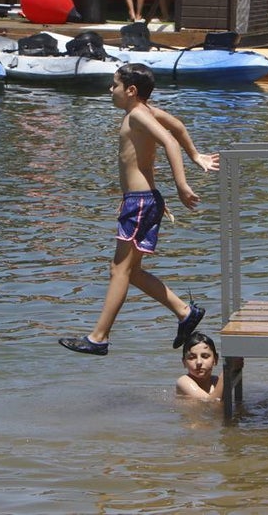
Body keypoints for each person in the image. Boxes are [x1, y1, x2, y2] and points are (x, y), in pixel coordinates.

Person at [59, 63, 219, 356]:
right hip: (144, 200)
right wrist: (195, 155)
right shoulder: (145, 112)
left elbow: (170, 140)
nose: (111, 90)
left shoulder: (137, 115)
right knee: (131, 272)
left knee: (119, 270)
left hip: (141, 202)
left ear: (131, 91)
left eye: (114, 85)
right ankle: (184, 312)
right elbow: (178, 127)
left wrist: (181, 185)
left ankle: (99, 337)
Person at [176, 332, 223, 402]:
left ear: (215, 359)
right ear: (184, 362)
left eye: (205, 356)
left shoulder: (216, 381)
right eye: (192, 357)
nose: (199, 362)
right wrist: (226, 373)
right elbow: (210, 403)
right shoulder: (183, 382)